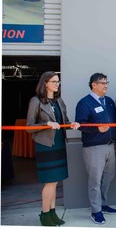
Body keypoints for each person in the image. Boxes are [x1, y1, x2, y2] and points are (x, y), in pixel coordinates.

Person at [26, 71, 80, 226]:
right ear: (45, 83)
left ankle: (52, 213)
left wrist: (72, 125)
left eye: (58, 82)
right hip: (46, 146)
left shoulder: (59, 101)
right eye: (54, 81)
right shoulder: (35, 101)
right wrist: (46, 124)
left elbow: (65, 121)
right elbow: (29, 127)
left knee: (55, 181)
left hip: (59, 143)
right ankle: (44, 215)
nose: (57, 84)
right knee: (49, 182)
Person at [75, 73, 116, 224]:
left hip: (110, 146)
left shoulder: (109, 102)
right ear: (93, 85)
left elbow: (115, 122)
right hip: (94, 148)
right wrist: (96, 130)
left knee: (108, 176)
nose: (106, 85)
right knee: (95, 180)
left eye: (107, 82)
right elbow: (80, 124)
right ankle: (96, 211)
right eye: (102, 83)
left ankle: (103, 203)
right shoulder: (84, 103)